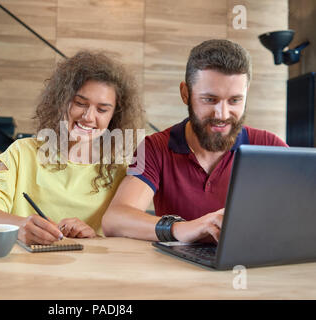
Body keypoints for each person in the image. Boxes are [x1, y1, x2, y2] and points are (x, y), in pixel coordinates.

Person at [102, 39, 288, 244]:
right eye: (210, 99)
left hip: (252, 269)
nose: (222, 114)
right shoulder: (154, 148)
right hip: (180, 273)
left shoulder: (269, 146)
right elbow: (115, 219)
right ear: (185, 93)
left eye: (235, 100)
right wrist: (181, 229)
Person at [0, 50, 145, 245]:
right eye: (80, 103)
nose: (88, 117)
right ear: (62, 101)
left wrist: (94, 239)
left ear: (115, 115)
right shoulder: (22, 153)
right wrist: (19, 227)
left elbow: (127, 240)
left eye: (102, 109)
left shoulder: (121, 171)